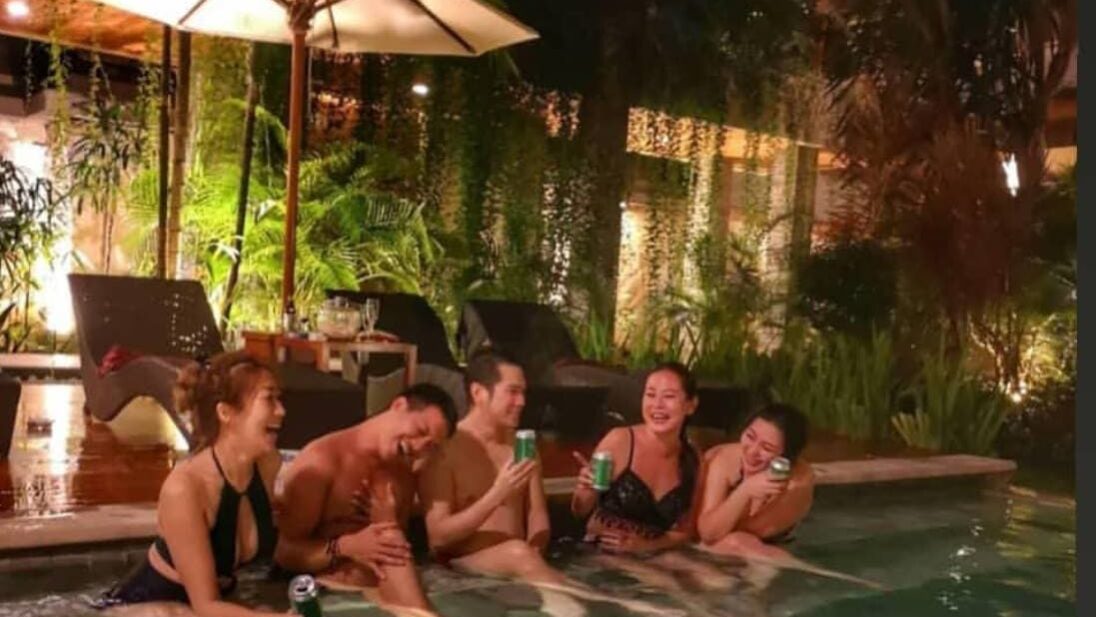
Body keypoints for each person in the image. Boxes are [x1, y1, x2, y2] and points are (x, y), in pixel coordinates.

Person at [417, 349, 666, 616]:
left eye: (524, 392)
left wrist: (534, 555)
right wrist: (498, 494)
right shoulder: (445, 450)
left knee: (530, 559)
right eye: (512, 392)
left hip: (518, 564)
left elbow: (537, 515)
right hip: (459, 569)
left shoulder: (522, 446)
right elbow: (438, 538)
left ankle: (610, 604)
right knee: (519, 554)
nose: (522, 401)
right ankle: (605, 609)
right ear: (478, 393)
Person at [94, 351, 288, 616]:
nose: (281, 410)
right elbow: (205, 606)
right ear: (225, 412)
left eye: (279, 398)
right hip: (144, 607)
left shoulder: (267, 465)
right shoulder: (186, 488)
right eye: (269, 399)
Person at [274, 383, 457, 616]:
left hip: (389, 594)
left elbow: (405, 546)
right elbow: (284, 553)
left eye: (429, 445)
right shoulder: (323, 460)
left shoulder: (407, 470)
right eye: (420, 430)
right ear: (399, 405)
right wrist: (345, 546)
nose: (419, 447)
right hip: (336, 595)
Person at [571, 361, 701, 553]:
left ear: (691, 405)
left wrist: (646, 546)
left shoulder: (692, 457)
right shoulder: (620, 441)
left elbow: (686, 531)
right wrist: (585, 490)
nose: (657, 405)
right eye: (650, 395)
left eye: (668, 396)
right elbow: (579, 511)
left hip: (652, 554)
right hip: (601, 553)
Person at [696, 402, 814, 557]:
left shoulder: (797, 483)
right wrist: (745, 491)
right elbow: (709, 533)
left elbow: (748, 533)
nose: (752, 451)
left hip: (769, 551)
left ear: (785, 457)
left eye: (767, 448)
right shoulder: (725, 459)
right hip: (720, 547)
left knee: (740, 542)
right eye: (750, 436)